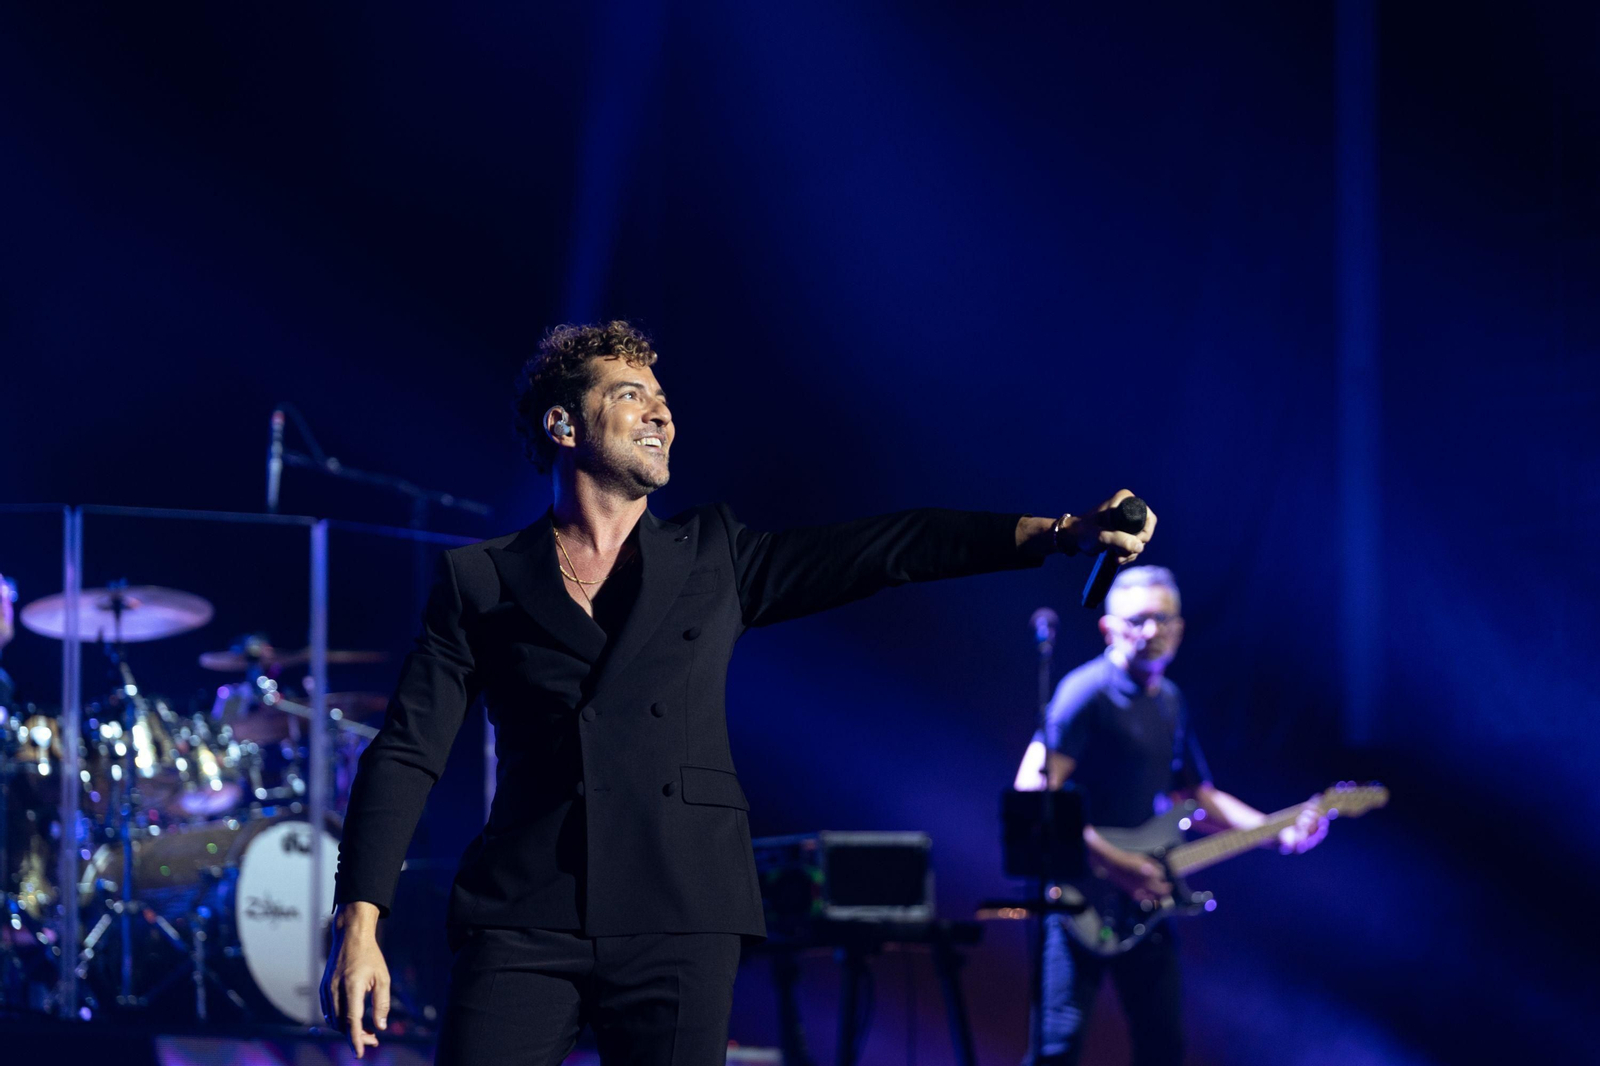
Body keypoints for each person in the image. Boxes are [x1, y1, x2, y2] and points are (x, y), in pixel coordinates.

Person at [321, 320, 1157, 1064]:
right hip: (527, 911)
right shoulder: (482, 580)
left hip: (681, 911)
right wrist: (360, 922)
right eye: (630, 395)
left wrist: (1059, 534)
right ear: (563, 424)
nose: (661, 413)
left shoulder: (714, 555)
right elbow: (406, 751)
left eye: (663, 400)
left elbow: (887, 547)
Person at [1013, 565, 1325, 1066]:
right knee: (1058, 1048)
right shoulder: (1086, 692)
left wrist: (1277, 830)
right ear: (1109, 628)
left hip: (1146, 900)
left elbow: (1197, 797)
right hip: (1079, 892)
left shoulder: (1172, 702)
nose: (1153, 631)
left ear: (1180, 627)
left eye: (1164, 619)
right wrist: (1112, 860)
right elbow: (1031, 788)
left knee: (1164, 1047)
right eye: (1138, 620)